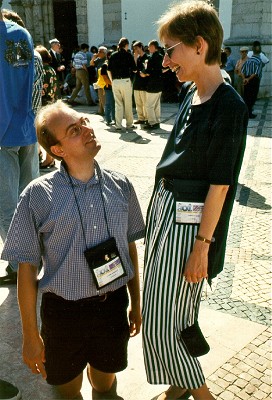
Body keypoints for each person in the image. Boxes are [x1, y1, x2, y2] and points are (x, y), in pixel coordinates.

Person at [1, 100, 145, 400]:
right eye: (75, 130)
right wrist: (30, 335)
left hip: (112, 306)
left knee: (105, 384)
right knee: (67, 391)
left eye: (84, 122)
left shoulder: (121, 185)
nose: (88, 130)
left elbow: (129, 247)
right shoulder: (38, 196)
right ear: (58, 150)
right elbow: (26, 269)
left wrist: (136, 302)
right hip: (64, 313)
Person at [142, 2, 248, 400]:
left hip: (190, 225)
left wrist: (203, 247)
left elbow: (220, 186)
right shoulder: (193, 93)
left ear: (199, 45)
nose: (165, 61)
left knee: (159, 318)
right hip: (166, 212)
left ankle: (200, 393)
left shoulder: (228, 105)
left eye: (170, 50)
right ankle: (180, 384)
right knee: (177, 313)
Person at [0, 5, 39, 285]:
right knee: (31, 201)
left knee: (7, 207)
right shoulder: (22, 34)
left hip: (2, 134)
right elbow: (35, 83)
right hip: (26, 130)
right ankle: (36, 257)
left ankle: (20, 267)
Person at [35, 44, 58, 169]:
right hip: (50, 102)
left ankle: (49, 158)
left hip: (43, 104)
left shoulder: (42, 70)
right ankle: (49, 158)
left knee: (43, 132)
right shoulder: (51, 69)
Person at [107, 37, 137, 131]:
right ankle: (129, 124)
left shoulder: (113, 55)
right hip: (125, 81)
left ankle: (118, 125)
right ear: (126, 45)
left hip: (115, 81)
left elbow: (109, 70)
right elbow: (135, 69)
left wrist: (112, 81)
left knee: (118, 104)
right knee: (128, 103)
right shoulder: (128, 55)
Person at [140, 40, 164, 130]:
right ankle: (157, 121)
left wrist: (144, 73)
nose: (148, 48)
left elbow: (149, 71)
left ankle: (152, 123)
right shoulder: (161, 56)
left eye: (150, 46)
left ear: (154, 47)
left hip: (152, 84)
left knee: (149, 105)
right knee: (157, 104)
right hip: (159, 84)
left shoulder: (152, 58)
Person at [240, 42, 263, 118]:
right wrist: (249, 79)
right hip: (254, 80)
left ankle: (246, 113)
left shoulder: (248, 61)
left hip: (246, 80)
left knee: (246, 96)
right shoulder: (259, 61)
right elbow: (255, 73)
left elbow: (242, 71)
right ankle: (249, 113)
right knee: (252, 97)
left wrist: (244, 79)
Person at [132, 41, 149, 125]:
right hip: (137, 83)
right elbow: (134, 69)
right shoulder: (137, 59)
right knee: (138, 102)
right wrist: (135, 58)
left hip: (144, 83)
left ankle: (146, 118)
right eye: (134, 49)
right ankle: (140, 118)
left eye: (136, 48)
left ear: (140, 47)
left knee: (145, 103)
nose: (135, 50)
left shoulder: (147, 57)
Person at [100, 50, 116, 126]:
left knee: (114, 104)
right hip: (109, 88)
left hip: (115, 87)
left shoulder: (114, 64)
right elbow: (104, 77)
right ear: (109, 56)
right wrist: (113, 84)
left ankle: (115, 119)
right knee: (108, 104)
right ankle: (108, 119)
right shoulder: (105, 65)